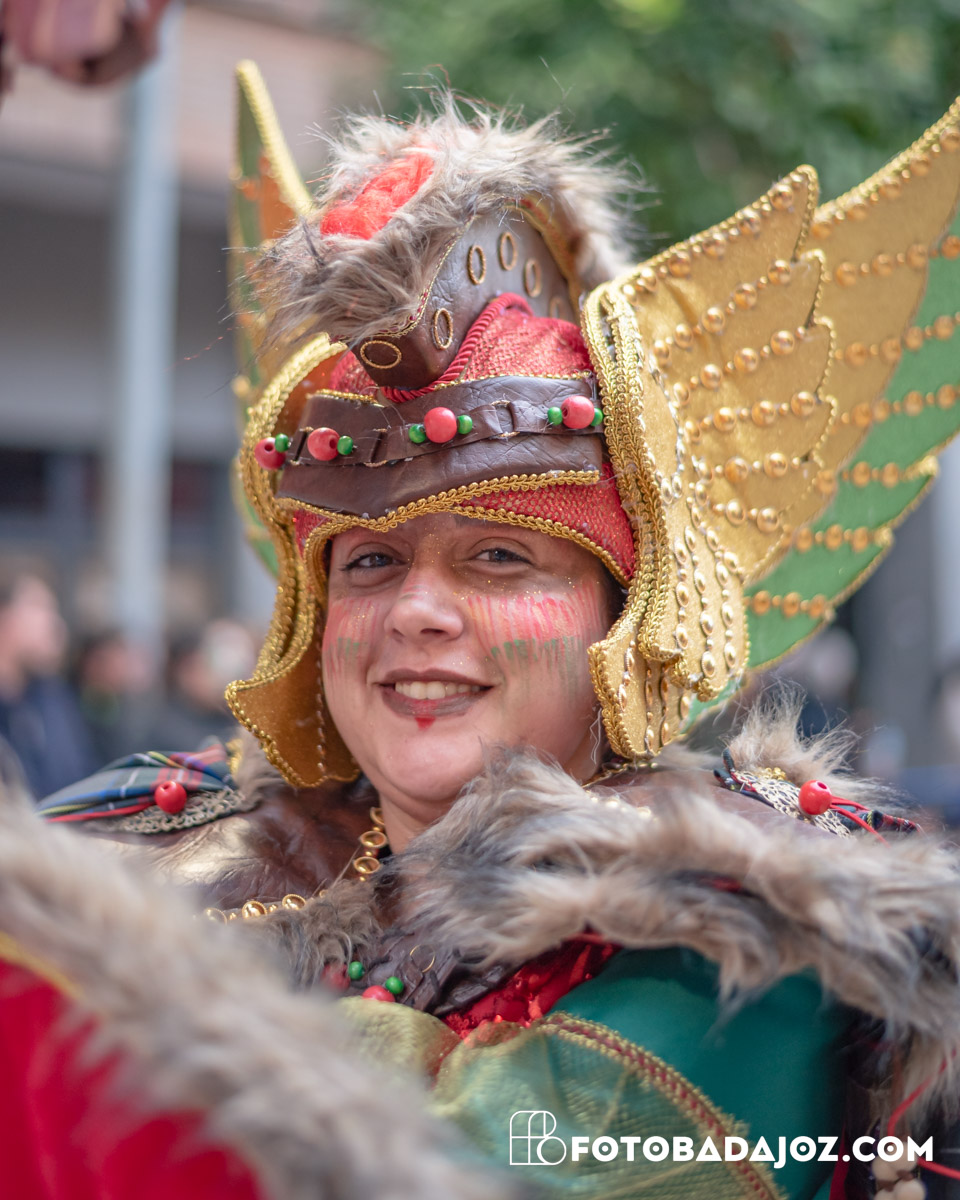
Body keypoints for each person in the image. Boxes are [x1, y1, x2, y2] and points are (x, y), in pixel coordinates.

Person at [14, 62, 960, 1197]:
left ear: (623, 610)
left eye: (499, 558)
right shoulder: (153, 836)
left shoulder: (746, 922)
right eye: (370, 562)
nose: (417, 611)